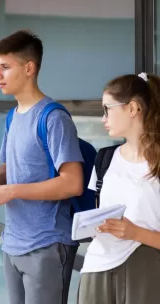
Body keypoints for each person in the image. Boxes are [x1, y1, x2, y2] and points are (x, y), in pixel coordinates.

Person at [0, 30, 84, 304]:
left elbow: (72, 183)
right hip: (13, 243)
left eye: (5, 67)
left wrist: (11, 191)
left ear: (29, 68)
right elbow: (8, 168)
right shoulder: (12, 116)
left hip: (46, 244)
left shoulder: (54, 118)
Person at [78, 73, 160, 304]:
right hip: (96, 267)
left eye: (107, 109)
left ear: (132, 108)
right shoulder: (104, 159)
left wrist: (135, 233)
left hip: (145, 271)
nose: (103, 117)